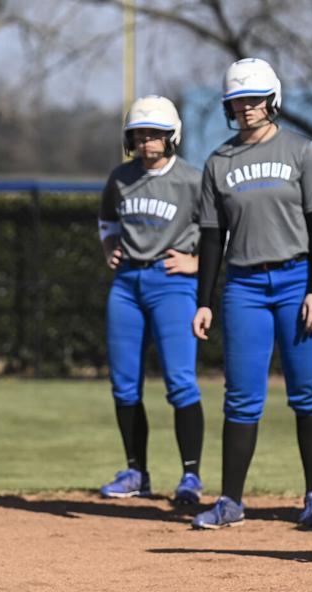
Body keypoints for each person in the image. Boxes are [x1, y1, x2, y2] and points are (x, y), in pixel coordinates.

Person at [191, 57, 312, 529]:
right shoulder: (219, 161)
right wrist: (205, 299)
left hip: (297, 282)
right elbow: (211, 236)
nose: (246, 108)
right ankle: (230, 501)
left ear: (272, 100)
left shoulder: (301, 151)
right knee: (241, 397)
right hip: (244, 287)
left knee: (309, 392)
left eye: (254, 100)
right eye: (237, 102)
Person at [97, 95, 206, 504]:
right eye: (140, 134)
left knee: (180, 382)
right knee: (125, 385)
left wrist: (197, 262)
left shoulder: (192, 179)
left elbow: (220, 228)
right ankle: (135, 472)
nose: (147, 141)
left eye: (155, 134)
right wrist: (109, 245)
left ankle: (191, 476)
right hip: (127, 283)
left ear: (172, 136)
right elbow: (107, 218)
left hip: (172, 282)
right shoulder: (120, 177)